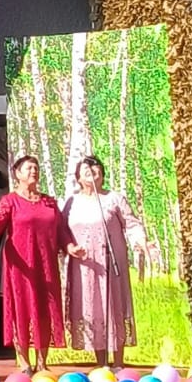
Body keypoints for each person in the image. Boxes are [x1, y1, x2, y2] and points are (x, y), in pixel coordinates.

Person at [0, 155, 84, 373]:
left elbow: (61, 230)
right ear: (17, 174)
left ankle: (42, 361)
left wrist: (70, 246)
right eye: (28, 168)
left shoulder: (49, 202)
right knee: (21, 311)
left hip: (46, 265)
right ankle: (24, 361)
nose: (34, 171)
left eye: (36, 167)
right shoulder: (10, 201)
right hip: (21, 267)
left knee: (45, 311)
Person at [62, 156, 146, 370]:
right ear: (78, 177)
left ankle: (118, 362)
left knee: (114, 307)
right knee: (93, 308)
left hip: (111, 264)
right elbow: (62, 231)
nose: (91, 170)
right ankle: (101, 364)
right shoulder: (72, 202)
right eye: (85, 168)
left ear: (102, 173)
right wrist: (69, 247)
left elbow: (132, 225)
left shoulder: (113, 198)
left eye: (95, 167)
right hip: (84, 266)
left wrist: (140, 242)